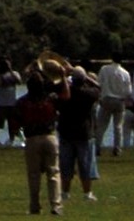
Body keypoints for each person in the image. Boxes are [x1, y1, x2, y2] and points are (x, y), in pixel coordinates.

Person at [19, 66, 64, 218]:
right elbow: (65, 95)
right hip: (50, 137)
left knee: (33, 175)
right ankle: (56, 205)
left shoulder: (23, 102)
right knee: (53, 173)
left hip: (32, 138)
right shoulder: (51, 98)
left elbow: (16, 120)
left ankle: (35, 206)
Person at [57, 66, 101, 207]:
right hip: (84, 133)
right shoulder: (88, 94)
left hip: (66, 132)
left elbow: (56, 88)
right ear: (83, 80)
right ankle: (87, 193)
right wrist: (87, 77)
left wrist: (65, 76)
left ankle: (65, 192)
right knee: (85, 166)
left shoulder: (65, 94)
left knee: (65, 165)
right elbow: (98, 87)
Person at [94, 59, 132, 155]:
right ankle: (117, 148)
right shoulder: (125, 73)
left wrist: (100, 97)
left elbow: (99, 83)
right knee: (118, 126)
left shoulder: (104, 69)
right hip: (119, 101)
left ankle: (97, 147)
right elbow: (128, 91)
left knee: (101, 125)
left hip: (107, 98)